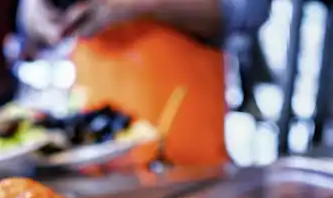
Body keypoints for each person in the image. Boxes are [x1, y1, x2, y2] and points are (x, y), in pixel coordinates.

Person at [19, 0, 273, 166]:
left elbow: (247, 11)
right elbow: (28, 30)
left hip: (185, 158)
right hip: (92, 156)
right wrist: (36, 12)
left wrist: (132, 5)